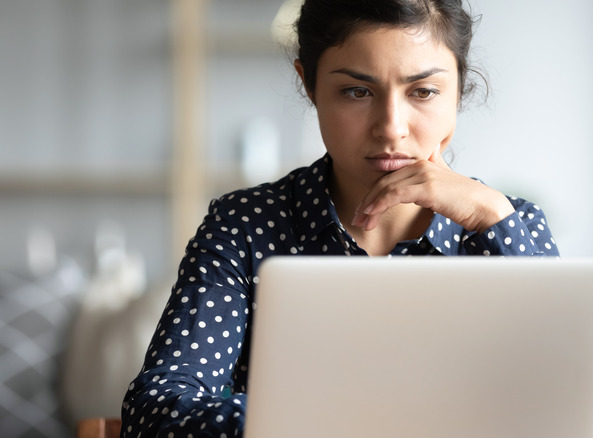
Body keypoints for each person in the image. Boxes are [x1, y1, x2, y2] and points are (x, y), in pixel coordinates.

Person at [121, 0, 559, 435]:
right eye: (357, 91)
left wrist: (492, 217)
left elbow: (556, 408)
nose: (391, 128)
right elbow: (156, 413)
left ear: (459, 90)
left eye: (423, 91)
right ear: (309, 85)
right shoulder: (247, 225)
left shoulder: (508, 222)